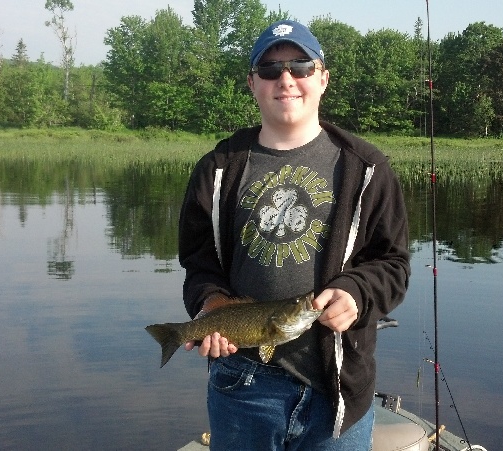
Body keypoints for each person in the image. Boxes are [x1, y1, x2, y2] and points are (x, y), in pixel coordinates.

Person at [178, 19, 410, 450]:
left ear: (322, 78)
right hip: (241, 386)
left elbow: (393, 264)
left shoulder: (367, 167)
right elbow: (198, 263)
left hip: (338, 386)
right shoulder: (218, 169)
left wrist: (356, 293)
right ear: (252, 83)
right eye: (270, 70)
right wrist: (211, 307)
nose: (286, 79)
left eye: (300, 66)